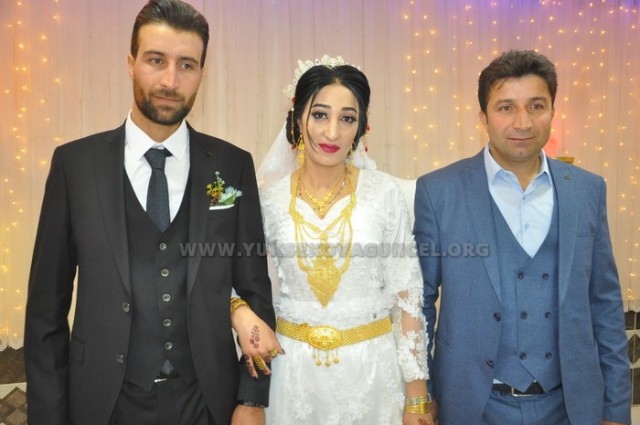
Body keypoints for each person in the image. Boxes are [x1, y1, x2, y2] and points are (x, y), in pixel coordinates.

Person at [24, 1, 276, 424]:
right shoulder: (75, 166)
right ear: (131, 63)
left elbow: (256, 292)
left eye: (186, 65)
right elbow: (45, 314)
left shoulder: (232, 166)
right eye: (156, 60)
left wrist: (252, 399)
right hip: (104, 404)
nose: (170, 81)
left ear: (202, 73)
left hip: (207, 404)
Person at [414, 49, 631, 425]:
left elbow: (605, 306)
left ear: (553, 111)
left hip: (569, 407)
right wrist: (422, 395)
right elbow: (419, 303)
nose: (523, 122)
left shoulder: (587, 190)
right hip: (472, 406)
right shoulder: (439, 191)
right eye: (506, 108)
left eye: (536, 106)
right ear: (483, 117)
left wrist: (615, 408)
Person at [231, 56, 434, 425]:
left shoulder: (384, 194)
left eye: (347, 118)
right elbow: (240, 282)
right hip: (293, 377)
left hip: (372, 374)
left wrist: (417, 398)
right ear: (298, 119)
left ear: (361, 127)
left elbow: (407, 298)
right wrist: (238, 312)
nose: (332, 132)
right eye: (320, 115)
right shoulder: (267, 201)